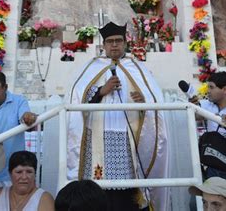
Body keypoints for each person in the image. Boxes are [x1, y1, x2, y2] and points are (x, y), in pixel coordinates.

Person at [66, 22, 169, 211]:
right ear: (103, 45)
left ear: (125, 44)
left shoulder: (137, 68)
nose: (114, 45)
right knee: (99, 188)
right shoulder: (92, 67)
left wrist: (143, 101)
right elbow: (77, 102)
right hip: (96, 135)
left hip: (126, 136)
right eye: (110, 41)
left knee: (126, 189)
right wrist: (100, 92)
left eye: (119, 41)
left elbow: (153, 101)